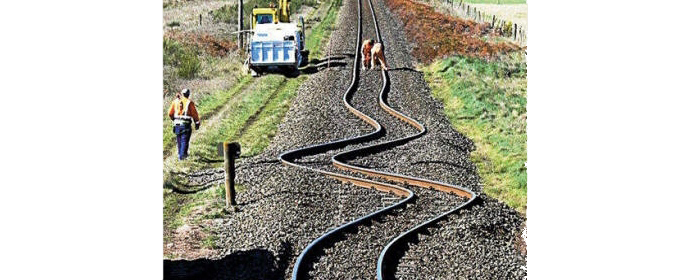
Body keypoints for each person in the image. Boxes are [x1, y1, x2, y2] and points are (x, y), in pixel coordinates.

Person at [168, 88, 200, 160]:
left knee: (179, 140)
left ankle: (180, 155)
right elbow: (194, 114)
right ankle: (182, 158)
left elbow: (170, 113)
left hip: (176, 124)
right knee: (184, 141)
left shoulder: (175, 102)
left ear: (182, 94)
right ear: (188, 94)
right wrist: (197, 123)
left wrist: (174, 119)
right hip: (185, 125)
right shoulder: (189, 102)